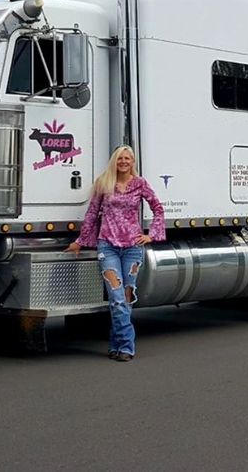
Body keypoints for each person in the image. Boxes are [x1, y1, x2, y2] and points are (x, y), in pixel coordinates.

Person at [66, 145, 165, 362]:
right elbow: (92, 213)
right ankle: (127, 346)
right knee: (116, 298)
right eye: (120, 158)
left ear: (133, 162)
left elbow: (158, 208)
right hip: (107, 246)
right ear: (114, 161)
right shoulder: (104, 183)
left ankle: (117, 344)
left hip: (132, 248)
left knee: (126, 298)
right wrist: (80, 241)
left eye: (127, 158)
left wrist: (152, 235)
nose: (123, 162)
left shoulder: (140, 184)